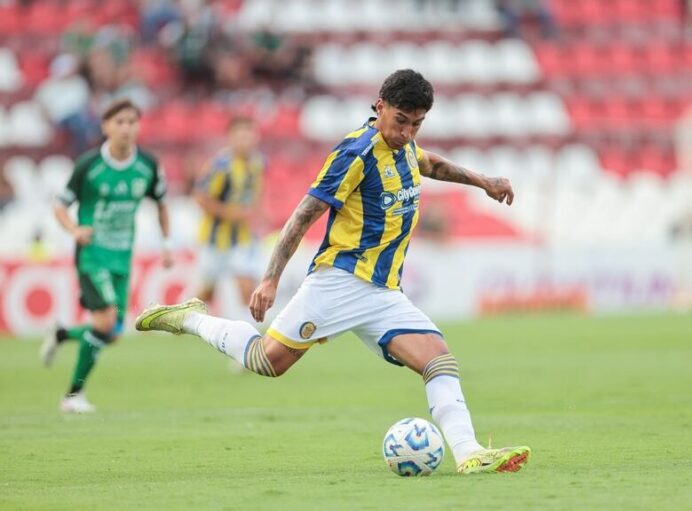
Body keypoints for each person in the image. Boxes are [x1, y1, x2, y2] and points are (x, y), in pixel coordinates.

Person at [135, 70, 530, 474]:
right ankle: (189, 318)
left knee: (439, 360)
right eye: (401, 121)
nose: (407, 132)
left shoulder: (405, 144)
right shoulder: (356, 153)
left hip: (383, 292)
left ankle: (468, 453)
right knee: (265, 361)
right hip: (339, 282)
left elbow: (430, 163)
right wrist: (271, 278)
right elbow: (304, 214)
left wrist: (483, 181)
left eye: (417, 124)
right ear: (380, 106)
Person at [40, 98, 173, 413]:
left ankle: (62, 334)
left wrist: (166, 244)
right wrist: (74, 230)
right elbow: (60, 205)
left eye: (131, 122)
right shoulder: (89, 165)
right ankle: (72, 396)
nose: (126, 128)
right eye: (119, 122)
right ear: (106, 127)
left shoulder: (148, 165)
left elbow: (161, 203)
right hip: (93, 254)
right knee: (106, 320)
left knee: (111, 333)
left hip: (122, 256)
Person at [194, 116, 266, 322]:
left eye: (248, 135)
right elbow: (200, 197)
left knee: (246, 284)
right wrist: (230, 213)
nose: (245, 140)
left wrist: (258, 215)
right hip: (214, 239)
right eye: (240, 135)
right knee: (207, 292)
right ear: (230, 138)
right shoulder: (221, 166)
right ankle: (181, 322)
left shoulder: (258, 163)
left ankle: (247, 330)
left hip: (241, 237)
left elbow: (257, 192)